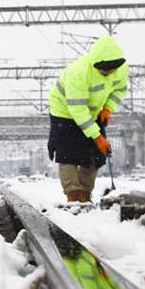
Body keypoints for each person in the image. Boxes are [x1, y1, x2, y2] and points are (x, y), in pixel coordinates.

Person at [48, 36, 128, 203]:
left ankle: (84, 194)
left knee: (94, 155)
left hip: (94, 111)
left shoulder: (120, 69)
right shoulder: (78, 72)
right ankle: (73, 194)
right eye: (103, 70)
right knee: (67, 154)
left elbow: (119, 90)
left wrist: (108, 108)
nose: (107, 73)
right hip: (65, 112)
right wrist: (98, 137)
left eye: (111, 70)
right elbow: (77, 109)